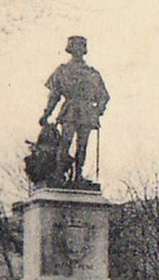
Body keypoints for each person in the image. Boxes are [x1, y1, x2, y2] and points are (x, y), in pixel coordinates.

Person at [39, 36, 110, 187]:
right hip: (73, 111)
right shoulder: (64, 71)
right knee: (67, 142)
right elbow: (54, 96)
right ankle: (61, 174)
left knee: (77, 144)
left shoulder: (90, 73)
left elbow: (104, 96)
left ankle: (76, 175)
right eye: (75, 46)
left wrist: (97, 110)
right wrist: (46, 114)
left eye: (80, 46)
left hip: (82, 112)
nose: (77, 49)